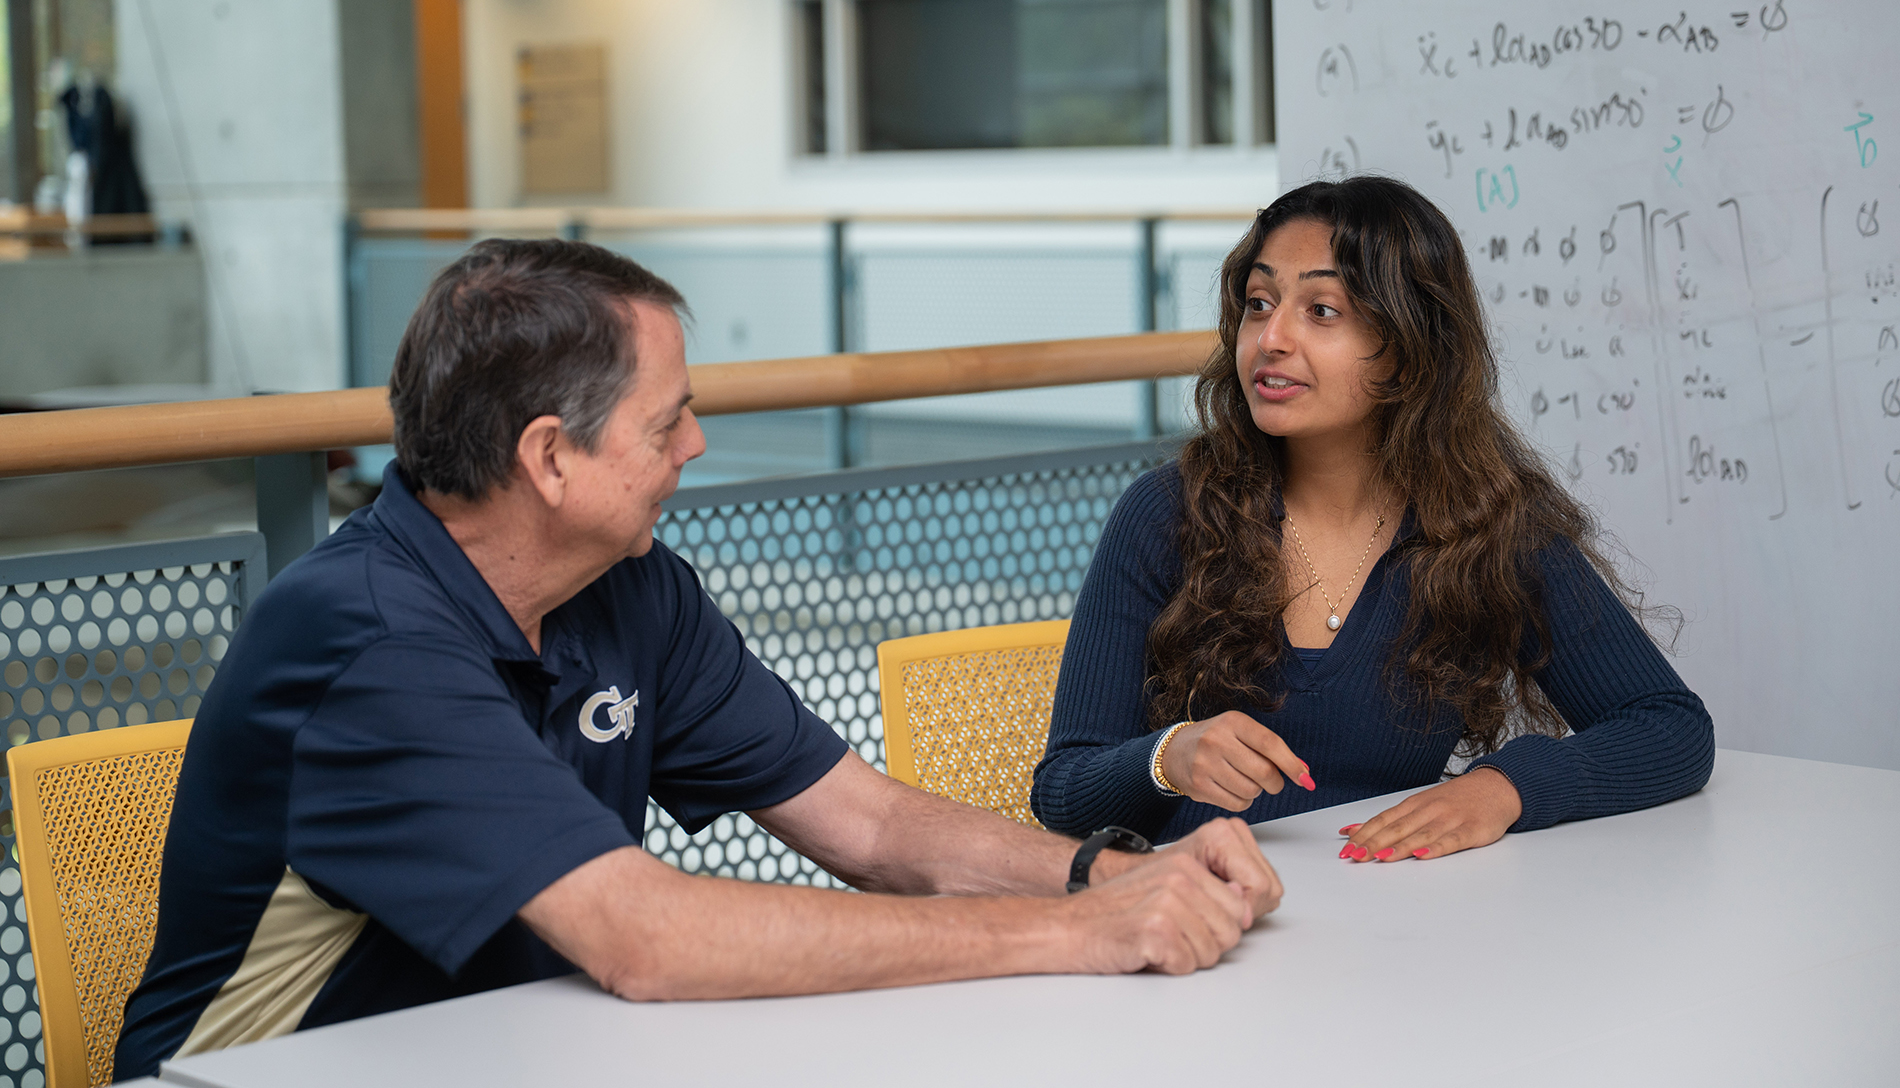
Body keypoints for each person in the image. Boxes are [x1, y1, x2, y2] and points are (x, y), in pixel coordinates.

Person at [115, 239, 1283, 1079]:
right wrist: (1074, 935)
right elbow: (650, 939)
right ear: (549, 458)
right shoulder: (365, 642)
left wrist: (1102, 876)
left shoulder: (628, 585)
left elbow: (868, 826)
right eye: (667, 419)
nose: (697, 441)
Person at [1031, 176, 1714, 861]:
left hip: (1394, 929)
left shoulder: (1488, 525)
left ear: (1408, 348)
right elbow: (1063, 791)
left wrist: (1506, 787)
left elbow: (1668, 725)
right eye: (1259, 303)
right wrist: (1167, 755)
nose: (1270, 338)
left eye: (1321, 311)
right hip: (1207, 926)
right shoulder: (1166, 514)